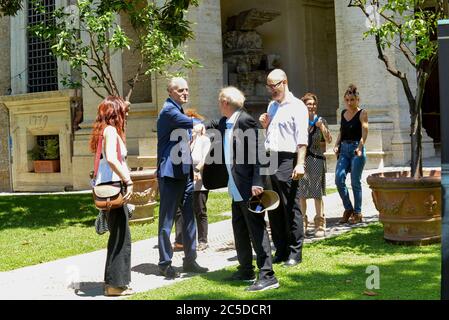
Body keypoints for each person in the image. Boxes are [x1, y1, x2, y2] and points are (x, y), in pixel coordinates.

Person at [203, 86, 279, 292]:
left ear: (225, 103)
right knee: (240, 228)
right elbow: (211, 124)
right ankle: (246, 269)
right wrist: (197, 125)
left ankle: (268, 275)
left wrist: (257, 182)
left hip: (249, 186)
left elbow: (259, 152)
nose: (219, 105)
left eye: (220, 102)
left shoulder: (245, 120)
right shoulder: (225, 122)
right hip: (235, 185)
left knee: (256, 228)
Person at [156, 77, 209, 279]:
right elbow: (192, 122)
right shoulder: (169, 110)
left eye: (187, 89)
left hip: (184, 173)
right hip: (170, 174)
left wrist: (193, 169)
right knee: (167, 220)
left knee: (189, 217)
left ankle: (190, 260)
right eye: (180, 90)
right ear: (170, 92)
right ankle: (165, 263)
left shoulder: (178, 110)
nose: (185, 93)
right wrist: (198, 123)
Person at [259, 69, 308, 267]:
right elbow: (271, 136)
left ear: (285, 82)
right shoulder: (272, 106)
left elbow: (301, 139)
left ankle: (295, 252)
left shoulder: (298, 106)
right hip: (270, 158)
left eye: (274, 85)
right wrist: (265, 125)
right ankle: (280, 249)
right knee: (273, 206)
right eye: (269, 86)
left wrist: (300, 163)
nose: (271, 90)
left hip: (288, 159)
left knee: (291, 206)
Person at [89, 96, 134, 296]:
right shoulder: (111, 131)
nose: (127, 114)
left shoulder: (104, 131)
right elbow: (112, 158)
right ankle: (116, 285)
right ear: (116, 112)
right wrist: (129, 181)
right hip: (114, 188)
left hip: (107, 188)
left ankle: (111, 283)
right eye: (124, 110)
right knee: (121, 237)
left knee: (117, 235)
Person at [173, 108, 211, 251]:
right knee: (181, 211)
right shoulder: (187, 141)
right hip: (186, 180)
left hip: (199, 180)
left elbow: (206, 158)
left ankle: (203, 240)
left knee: (199, 210)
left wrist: (196, 170)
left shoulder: (204, 140)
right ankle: (182, 240)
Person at [297, 93, 332, 238]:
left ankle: (319, 223)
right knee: (302, 193)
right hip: (302, 160)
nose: (311, 106)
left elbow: (329, 139)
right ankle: (302, 224)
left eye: (313, 104)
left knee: (317, 193)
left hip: (317, 159)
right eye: (308, 104)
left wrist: (321, 127)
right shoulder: (299, 121)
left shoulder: (321, 120)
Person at [333, 84, 369, 224]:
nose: (349, 102)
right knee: (338, 179)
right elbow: (342, 131)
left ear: (357, 100)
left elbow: (365, 131)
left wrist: (360, 147)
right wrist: (336, 145)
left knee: (355, 182)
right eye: (347, 100)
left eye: (352, 100)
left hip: (356, 150)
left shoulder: (362, 113)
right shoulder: (343, 113)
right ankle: (348, 208)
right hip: (344, 149)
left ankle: (358, 213)